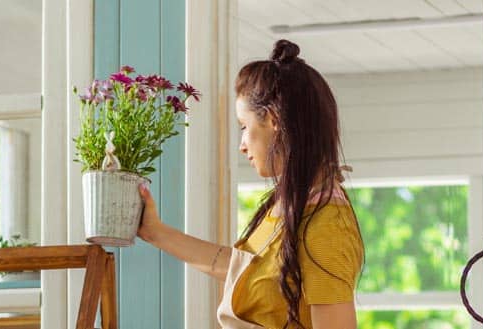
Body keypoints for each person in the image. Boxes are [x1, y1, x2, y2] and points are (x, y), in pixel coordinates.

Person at [136, 39, 365, 329]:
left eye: (244, 126)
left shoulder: (326, 225)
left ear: (272, 120)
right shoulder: (288, 207)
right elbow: (243, 272)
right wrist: (154, 232)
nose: (242, 145)